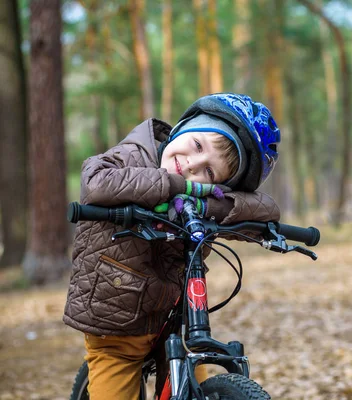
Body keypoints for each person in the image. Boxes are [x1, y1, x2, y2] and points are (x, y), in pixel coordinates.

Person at [63, 93, 281, 399]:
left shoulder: (206, 197)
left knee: (193, 383)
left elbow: (266, 210)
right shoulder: (132, 155)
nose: (192, 164)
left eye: (209, 173)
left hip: (173, 322)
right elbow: (96, 183)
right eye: (197, 146)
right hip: (115, 327)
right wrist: (182, 188)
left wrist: (205, 204)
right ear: (185, 126)